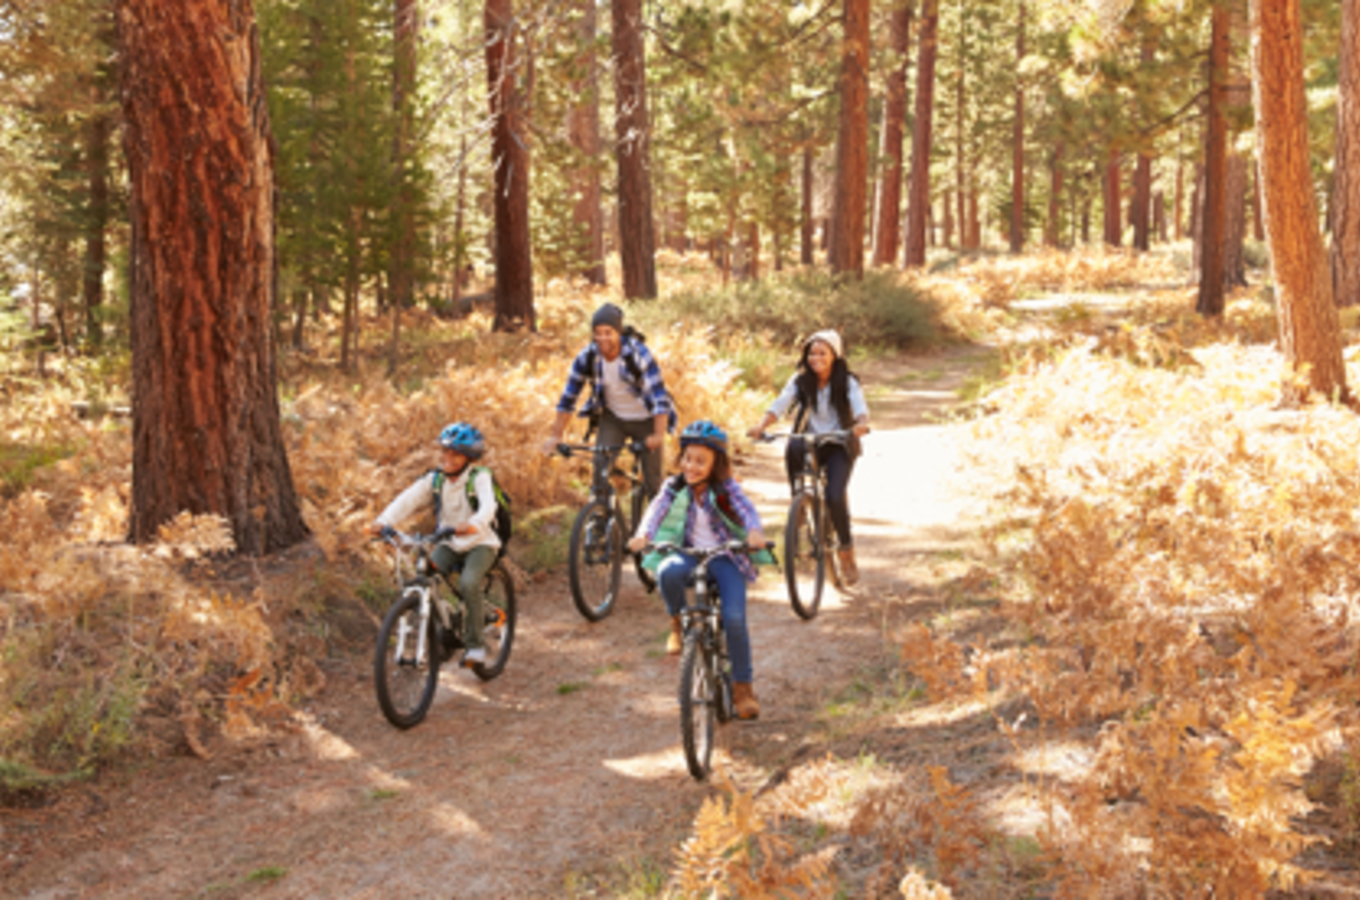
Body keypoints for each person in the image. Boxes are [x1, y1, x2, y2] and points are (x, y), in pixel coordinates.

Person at [628, 421, 770, 720]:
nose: (691, 466)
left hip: (725, 557)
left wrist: (754, 532)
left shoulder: (725, 486)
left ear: (716, 463)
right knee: (667, 571)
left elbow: (745, 508)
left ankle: (742, 687)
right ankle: (676, 622)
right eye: (687, 458)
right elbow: (656, 510)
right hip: (689, 553)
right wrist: (644, 535)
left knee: (733, 617)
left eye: (700, 461)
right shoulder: (674, 485)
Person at [367, 422, 500, 667]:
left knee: (469, 582)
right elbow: (407, 500)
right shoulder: (435, 479)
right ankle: (445, 627)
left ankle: (476, 646)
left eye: (455, 454)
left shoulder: (479, 477)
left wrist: (475, 524)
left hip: (480, 542)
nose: (447, 458)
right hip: (448, 542)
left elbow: (489, 506)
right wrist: (383, 521)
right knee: (426, 574)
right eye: (445, 452)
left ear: (469, 458)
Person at [748, 330, 870, 585]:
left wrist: (861, 424)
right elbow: (780, 404)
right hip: (810, 440)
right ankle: (799, 501)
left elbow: (859, 407)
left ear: (834, 355)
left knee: (835, 496)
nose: (816, 358)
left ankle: (846, 551)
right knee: (793, 444)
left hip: (839, 443)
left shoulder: (847, 381)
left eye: (822, 353)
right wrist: (762, 426)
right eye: (812, 353)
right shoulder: (801, 380)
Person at [543, 302, 674, 499]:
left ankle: (657, 527)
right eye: (598, 332)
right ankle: (599, 519)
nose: (602, 338)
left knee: (652, 481)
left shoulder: (638, 354)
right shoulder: (587, 357)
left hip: (646, 420)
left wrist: (658, 434)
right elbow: (568, 398)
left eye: (608, 332)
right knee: (600, 468)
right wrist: (556, 436)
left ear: (619, 333)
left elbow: (659, 397)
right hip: (614, 419)